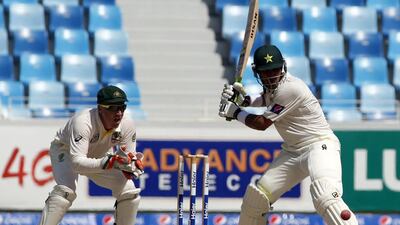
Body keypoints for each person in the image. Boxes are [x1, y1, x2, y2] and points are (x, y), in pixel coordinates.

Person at [219, 45, 358, 225]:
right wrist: (243, 100)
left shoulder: (291, 88)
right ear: (257, 73)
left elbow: (262, 124)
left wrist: (235, 112)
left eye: (275, 70)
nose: (271, 76)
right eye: (266, 72)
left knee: (325, 194)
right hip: (293, 152)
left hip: (319, 145)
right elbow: (265, 98)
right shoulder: (274, 89)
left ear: (283, 67)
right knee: (255, 200)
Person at [39, 85, 144, 225]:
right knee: (66, 191)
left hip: (101, 157)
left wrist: (132, 166)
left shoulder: (127, 124)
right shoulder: (83, 122)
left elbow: (129, 158)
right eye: (112, 108)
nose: (119, 113)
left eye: (121, 107)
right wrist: (108, 162)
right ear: (100, 108)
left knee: (130, 192)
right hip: (66, 151)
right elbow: (77, 164)